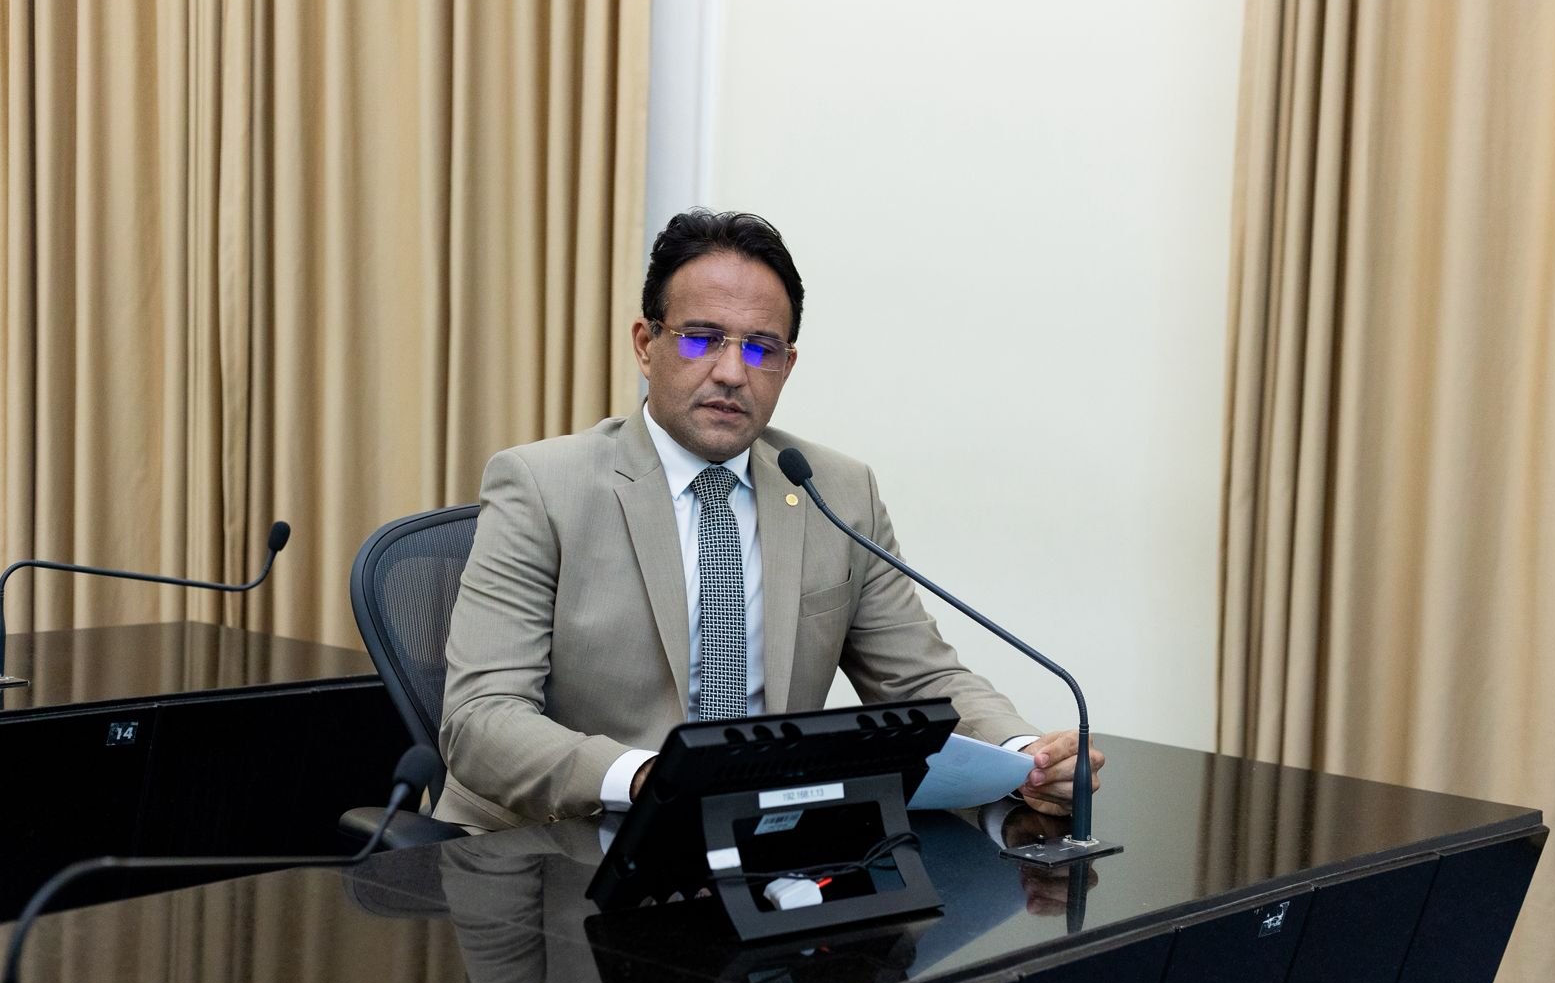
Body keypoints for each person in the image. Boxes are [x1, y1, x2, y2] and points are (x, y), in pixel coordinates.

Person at [433, 209, 1104, 832]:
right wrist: (646, 777)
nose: (732, 371)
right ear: (645, 344)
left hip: (756, 844)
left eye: (761, 349)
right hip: (562, 842)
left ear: (787, 365)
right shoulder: (541, 486)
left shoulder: (836, 492)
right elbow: (482, 719)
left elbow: (921, 679)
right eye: (702, 339)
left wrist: (1027, 755)